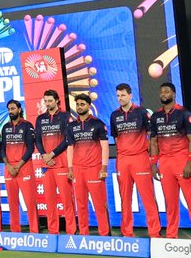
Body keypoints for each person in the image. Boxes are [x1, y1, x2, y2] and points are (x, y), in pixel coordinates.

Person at [150, 83, 191, 240]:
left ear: (174, 94)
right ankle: (171, 235)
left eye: (167, 91)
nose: (164, 94)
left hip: (182, 161)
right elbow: (153, 142)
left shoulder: (183, 113)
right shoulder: (156, 116)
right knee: (170, 203)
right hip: (165, 162)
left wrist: (189, 162)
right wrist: (153, 164)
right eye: (161, 92)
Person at [110, 84, 159, 238]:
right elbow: (116, 138)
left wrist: (152, 160)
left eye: (123, 95)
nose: (120, 98)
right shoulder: (114, 115)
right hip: (123, 160)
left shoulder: (141, 112)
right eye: (118, 96)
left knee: (148, 198)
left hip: (140, 158)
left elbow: (151, 136)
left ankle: (154, 232)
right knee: (125, 198)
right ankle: (127, 232)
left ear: (130, 95)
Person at [35, 90, 75, 234]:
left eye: (50, 101)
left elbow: (67, 140)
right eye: (45, 101)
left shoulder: (65, 117)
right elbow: (38, 139)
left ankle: (71, 229)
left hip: (61, 164)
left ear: (57, 101)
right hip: (46, 165)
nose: (47, 104)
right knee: (49, 201)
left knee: (67, 200)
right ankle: (53, 230)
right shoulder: (40, 118)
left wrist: (52, 154)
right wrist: (44, 155)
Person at [70, 93, 110, 236]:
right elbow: (70, 148)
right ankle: (83, 234)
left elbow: (105, 147)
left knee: (99, 204)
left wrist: (104, 167)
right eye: (78, 104)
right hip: (78, 169)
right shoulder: (72, 126)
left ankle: (104, 234)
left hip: (94, 169)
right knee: (80, 205)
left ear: (89, 106)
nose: (79, 107)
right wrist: (70, 168)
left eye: (82, 104)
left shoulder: (98, 124)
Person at [0, 100, 36, 232]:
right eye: (9, 109)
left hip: (24, 167)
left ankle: (34, 231)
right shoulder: (5, 127)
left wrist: (18, 166)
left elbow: (31, 148)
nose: (10, 111)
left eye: (13, 109)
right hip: (9, 168)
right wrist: (8, 165)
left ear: (19, 110)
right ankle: (15, 231)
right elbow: (2, 148)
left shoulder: (27, 125)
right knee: (12, 202)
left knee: (30, 202)